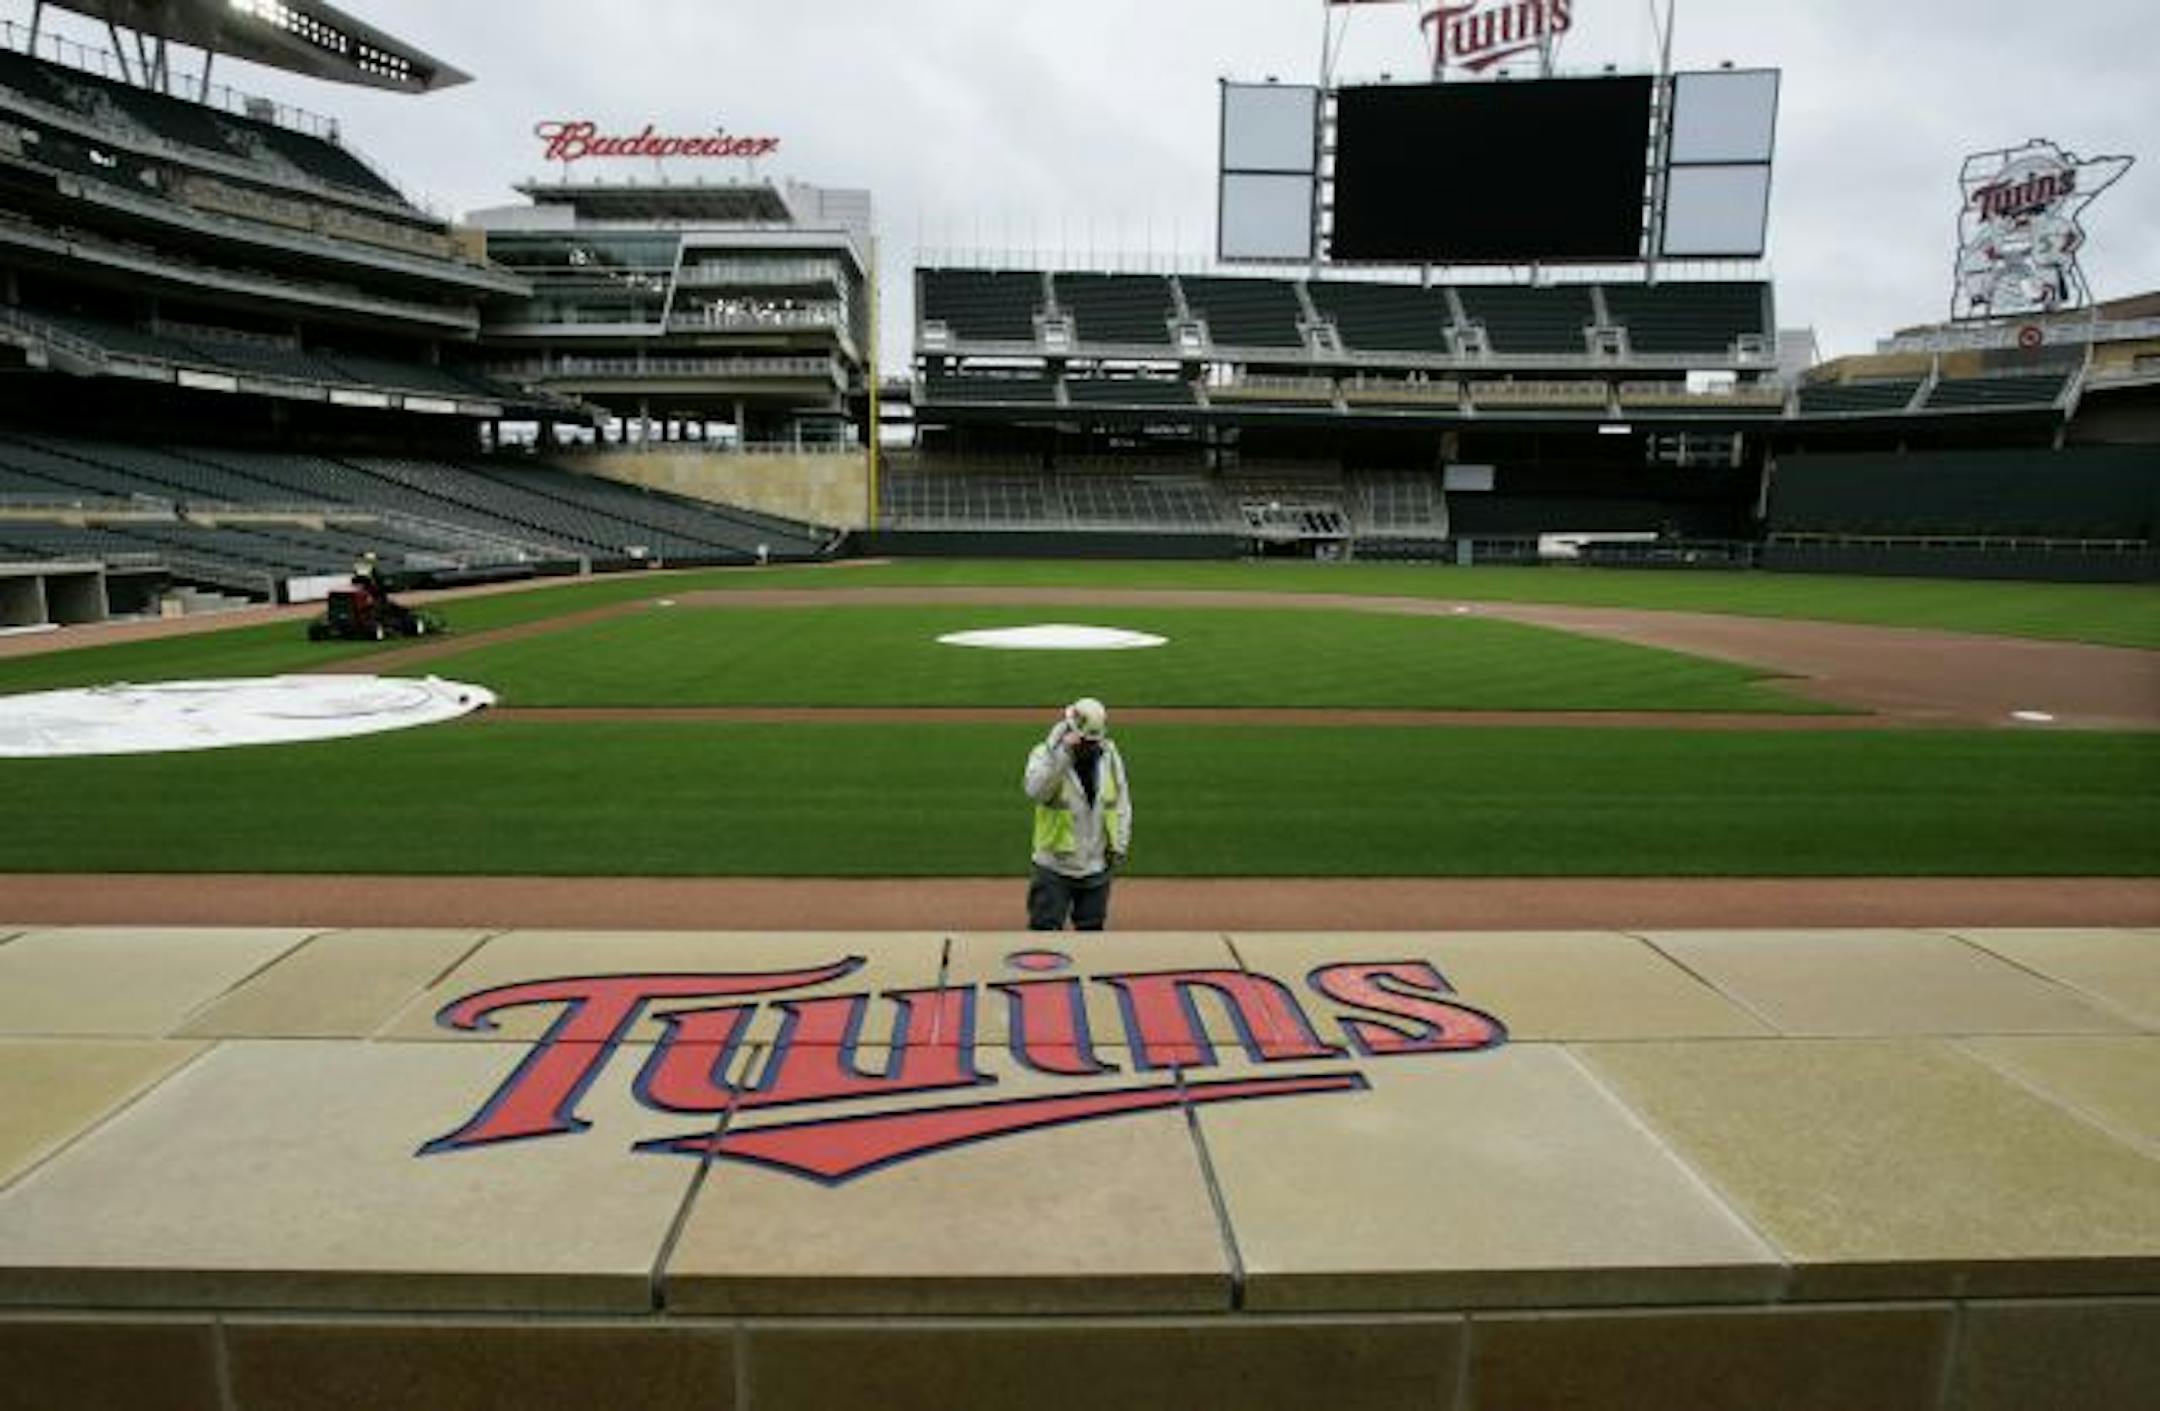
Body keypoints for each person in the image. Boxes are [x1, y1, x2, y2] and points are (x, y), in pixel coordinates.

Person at [1022, 697, 1132, 932]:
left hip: (1096, 867)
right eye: (1085, 742)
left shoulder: (1109, 757)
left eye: (1093, 742)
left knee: (1092, 935)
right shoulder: (1045, 754)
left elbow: (1121, 801)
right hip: (1054, 868)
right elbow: (1036, 791)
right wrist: (1063, 756)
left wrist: (1120, 843)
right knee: (1043, 932)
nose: (1090, 747)